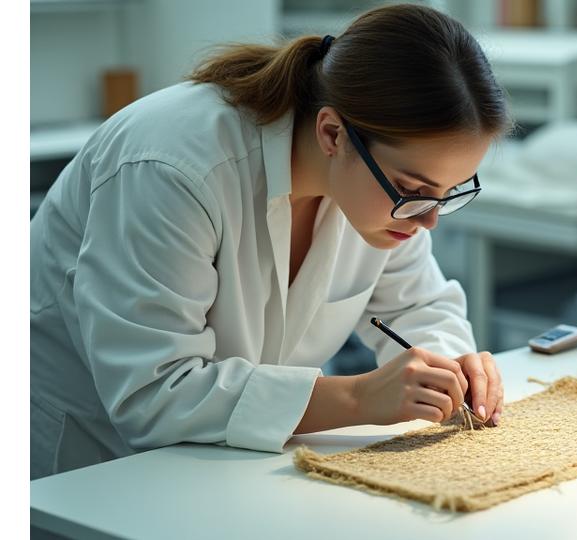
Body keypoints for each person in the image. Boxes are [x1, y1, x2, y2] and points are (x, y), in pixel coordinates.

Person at [30, 4, 512, 479]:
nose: (429, 220)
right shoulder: (173, 167)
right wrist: (359, 398)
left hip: (224, 457)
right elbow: (153, 394)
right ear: (332, 134)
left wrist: (448, 372)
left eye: (449, 193)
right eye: (415, 191)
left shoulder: (377, 188)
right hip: (80, 453)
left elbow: (418, 306)